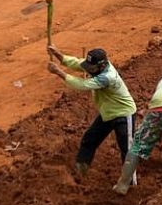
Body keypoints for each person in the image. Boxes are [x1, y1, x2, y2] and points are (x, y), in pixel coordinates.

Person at [47, 45, 136, 179]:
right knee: (89, 139)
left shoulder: (107, 77)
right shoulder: (98, 67)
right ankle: (80, 170)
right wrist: (59, 55)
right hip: (108, 113)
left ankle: (129, 183)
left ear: (101, 66)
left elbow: (82, 85)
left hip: (123, 114)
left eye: (92, 68)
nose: (89, 70)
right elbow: (78, 64)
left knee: (127, 150)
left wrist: (59, 72)